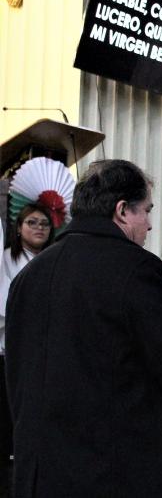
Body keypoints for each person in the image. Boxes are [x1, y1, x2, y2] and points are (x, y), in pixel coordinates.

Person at [4, 159, 162, 497]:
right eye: (146, 211)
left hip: (39, 473)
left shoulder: (29, 276)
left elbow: (16, 376)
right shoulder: (136, 268)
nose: (149, 224)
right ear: (122, 211)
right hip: (114, 472)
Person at [0, 204, 55, 486]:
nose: (39, 228)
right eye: (32, 222)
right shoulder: (6, 259)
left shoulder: (55, 258)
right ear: (19, 227)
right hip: (12, 349)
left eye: (44, 223)